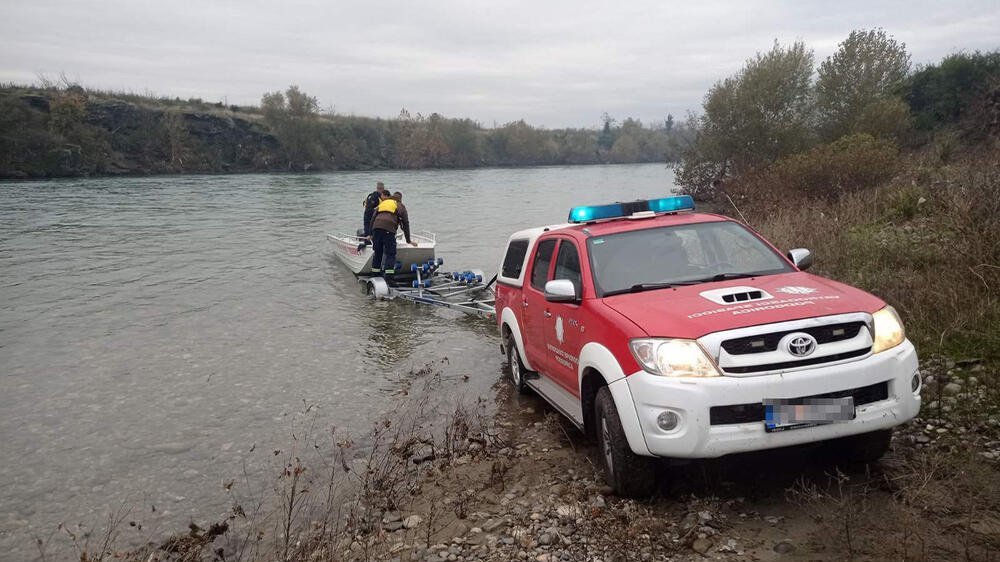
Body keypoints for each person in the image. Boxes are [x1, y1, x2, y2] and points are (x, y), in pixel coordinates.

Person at [369, 191, 410, 278]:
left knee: (378, 252)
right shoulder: (400, 206)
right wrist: (408, 240)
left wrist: (371, 233)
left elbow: (372, 218)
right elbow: (405, 223)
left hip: (376, 228)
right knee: (390, 254)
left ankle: (375, 274)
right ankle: (389, 277)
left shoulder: (384, 203)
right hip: (389, 229)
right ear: (400, 199)